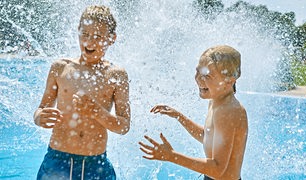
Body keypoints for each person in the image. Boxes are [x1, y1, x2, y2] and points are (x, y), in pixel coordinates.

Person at [33, 5, 131, 180]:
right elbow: (41, 109)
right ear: (77, 32)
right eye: (84, 34)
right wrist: (39, 117)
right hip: (57, 160)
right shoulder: (60, 68)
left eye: (98, 37)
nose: (89, 42)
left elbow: (124, 126)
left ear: (111, 38)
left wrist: (97, 112)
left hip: (96, 164)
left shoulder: (116, 75)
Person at [139, 45, 248, 180]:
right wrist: (179, 117)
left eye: (207, 75)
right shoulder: (217, 102)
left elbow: (218, 169)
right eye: (198, 72)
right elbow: (207, 137)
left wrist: (172, 156)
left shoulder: (229, 111)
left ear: (229, 80)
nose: (198, 79)